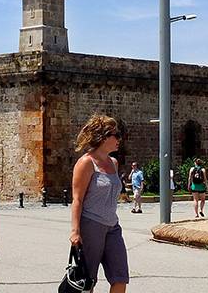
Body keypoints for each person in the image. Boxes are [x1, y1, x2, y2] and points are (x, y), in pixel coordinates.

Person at [70, 114, 129, 292]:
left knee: (120, 278)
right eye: (115, 135)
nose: (119, 139)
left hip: (113, 226)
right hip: (91, 225)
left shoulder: (114, 162)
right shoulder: (86, 163)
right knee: (88, 280)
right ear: (103, 137)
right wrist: (75, 231)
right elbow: (77, 199)